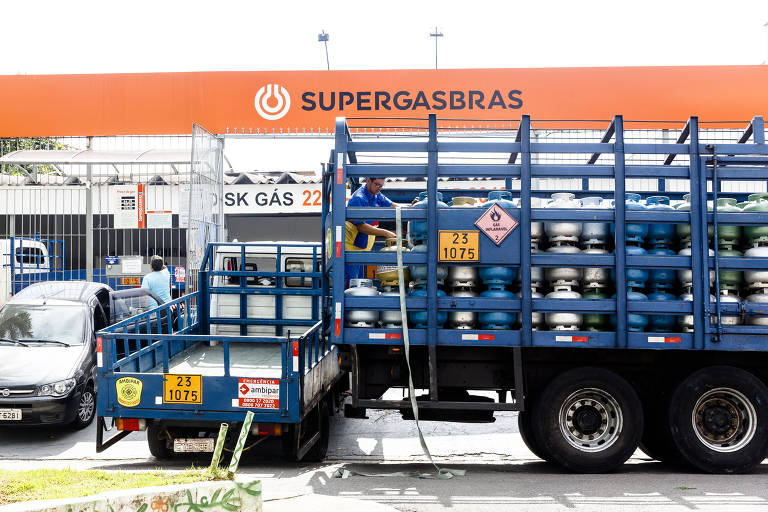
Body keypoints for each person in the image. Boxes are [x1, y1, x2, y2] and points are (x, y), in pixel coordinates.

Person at [345, 177, 400, 284]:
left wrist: (412, 207)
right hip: (351, 247)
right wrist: (386, 233)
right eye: (377, 184)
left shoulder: (376, 194)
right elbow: (361, 226)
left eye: (381, 185)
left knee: (358, 281)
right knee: (352, 281)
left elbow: (393, 206)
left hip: (362, 246)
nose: (379, 188)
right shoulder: (358, 198)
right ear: (368, 180)